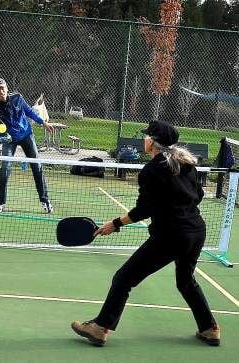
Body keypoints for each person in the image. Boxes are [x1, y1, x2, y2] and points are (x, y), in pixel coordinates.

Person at [71, 120, 220, 346]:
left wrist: (115, 223)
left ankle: (100, 328)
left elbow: (145, 209)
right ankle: (209, 328)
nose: (144, 139)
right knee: (186, 281)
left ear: (153, 142)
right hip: (196, 231)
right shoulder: (188, 164)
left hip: (171, 236)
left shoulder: (152, 170)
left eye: (147, 137)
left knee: (123, 278)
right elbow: (197, 196)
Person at [0, 78, 54, 213]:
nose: (1, 91)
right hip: (9, 140)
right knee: (5, 168)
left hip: (26, 135)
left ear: (7, 88)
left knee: (37, 166)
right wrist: (4, 137)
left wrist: (43, 123)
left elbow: (29, 111)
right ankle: (0, 203)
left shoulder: (17, 97)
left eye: (3, 88)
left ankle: (45, 200)